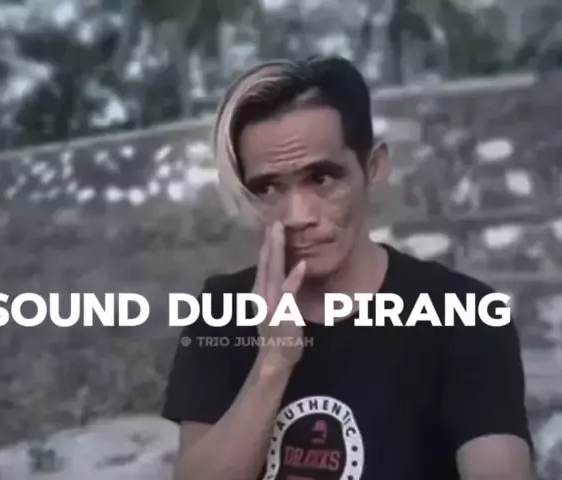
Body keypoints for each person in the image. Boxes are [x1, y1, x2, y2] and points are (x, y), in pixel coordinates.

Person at [161, 55, 534, 480]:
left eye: (321, 179)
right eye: (269, 188)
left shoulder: (466, 313)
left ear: (373, 168)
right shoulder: (222, 308)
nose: (298, 215)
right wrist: (273, 363)